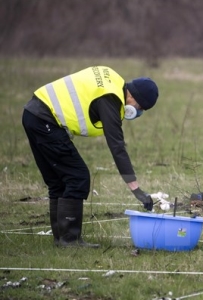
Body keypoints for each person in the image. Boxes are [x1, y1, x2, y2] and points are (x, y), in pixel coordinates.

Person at [22, 66, 159, 248]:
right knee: (78, 176)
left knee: (58, 180)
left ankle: (60, 239)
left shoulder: (112, 79)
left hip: (33, 113)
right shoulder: (111, 100)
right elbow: (117, 147)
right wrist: (136, 189)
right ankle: (70, 240)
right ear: (132, 97)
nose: (137, 112)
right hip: (45, 120)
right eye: (140, 107)